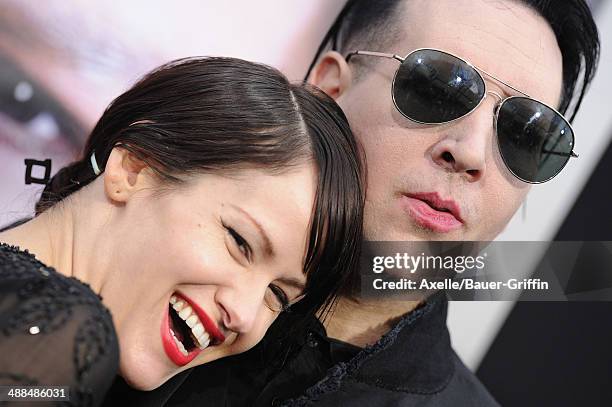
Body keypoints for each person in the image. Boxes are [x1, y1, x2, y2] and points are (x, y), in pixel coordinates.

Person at [107, 0, 600, 406]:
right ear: (329, 87)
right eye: (437, 87)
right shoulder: (119, 270)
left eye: (525, 134)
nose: (471, 153)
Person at [0, 56, 364, 407]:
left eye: (278, 296)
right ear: (133, 168)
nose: (244, 314)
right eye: (240, 242)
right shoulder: (56, 334)